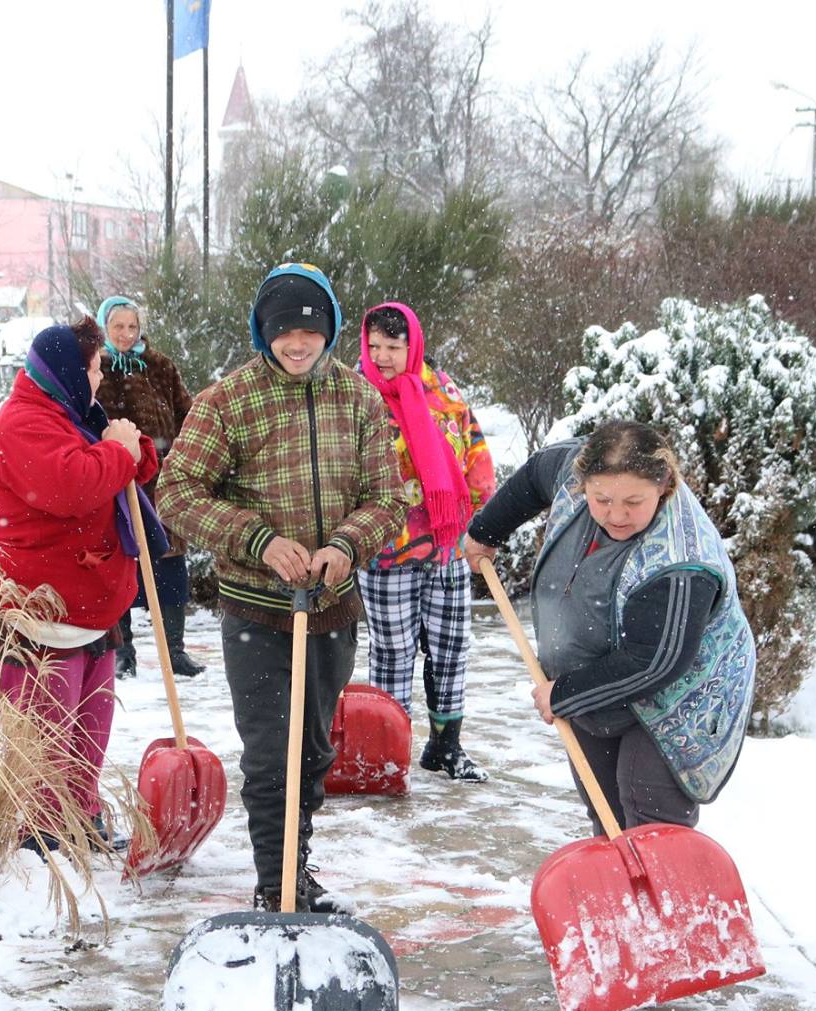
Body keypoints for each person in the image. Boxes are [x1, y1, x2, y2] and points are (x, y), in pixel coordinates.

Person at [158, 264, 408, 911]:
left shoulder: (359, 400)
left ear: (328, 328)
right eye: (284, 333)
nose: (298, 344)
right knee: (273, 755)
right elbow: (177, 494)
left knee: (314, 750)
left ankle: (298, 864)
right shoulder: (228, 402)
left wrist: (347, 544)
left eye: (310, 331)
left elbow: (388, 497)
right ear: (262, 332)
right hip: (258, 611)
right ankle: (278, 885)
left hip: (332, 607)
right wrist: (259, 540)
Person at [461, 420, 756, 833]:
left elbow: (654, 663)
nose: (616, 515)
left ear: (664, 485)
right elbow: (535, 475)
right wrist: (485, 530)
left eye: (634, 501)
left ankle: (663, 893)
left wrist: (564, 694)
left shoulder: (681, 562)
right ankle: (619, 890)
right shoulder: (576, 472)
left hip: (676, 696)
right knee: (605, 812)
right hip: (594, 674)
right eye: (601, 499)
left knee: (649, 814)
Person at [0, 316, 161, 852]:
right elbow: (74, 485)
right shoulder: (20, 427)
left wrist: (128, 449)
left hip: (88, 606)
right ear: (69, 372)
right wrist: (119, 453)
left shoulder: (69, 413)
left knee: (89, 730)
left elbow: (124, 462)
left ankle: (83, 817)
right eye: (95, 367)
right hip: (38, 614)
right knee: (47, 736)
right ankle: (44, 837)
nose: (100, 378)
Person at [355, 302, 496, 782]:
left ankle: (445, 744)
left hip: (446, 543)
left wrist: (481, 515)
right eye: (374, 347)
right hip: (386, 548)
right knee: (393, 650)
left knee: (450, 645)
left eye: (393, 347)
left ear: (413, 345)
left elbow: (473, 446)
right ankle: (389, 751)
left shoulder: (442, 390)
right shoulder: (358, 395)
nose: (383, 357)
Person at [93, 295, 204, 680]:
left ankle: (174, 651)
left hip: (163, 482)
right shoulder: (97, 368)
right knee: (123, 566)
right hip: (117, 481)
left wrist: (183, 457)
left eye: (132, 327)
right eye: (118, 327)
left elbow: (186, 414)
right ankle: (123, 652)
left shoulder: (159, 366)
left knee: (171, 567)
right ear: (105, 327)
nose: (125, 334)